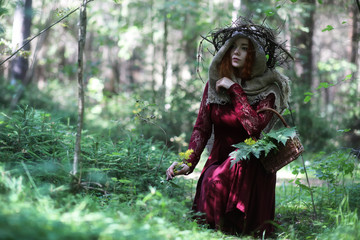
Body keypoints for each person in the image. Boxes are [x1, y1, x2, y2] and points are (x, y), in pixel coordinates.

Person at [166, 17, 292, 237]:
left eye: (244, 48)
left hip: (251, 162)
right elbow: (201, 129)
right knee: (210, 179)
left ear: (254, 55)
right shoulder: (214, 85)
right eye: (233, 46)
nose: (237, 52)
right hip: (220, 156)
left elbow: (253, 128)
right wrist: (188, 161)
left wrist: (235, 90)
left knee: (219, 179)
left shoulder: (268, 89)